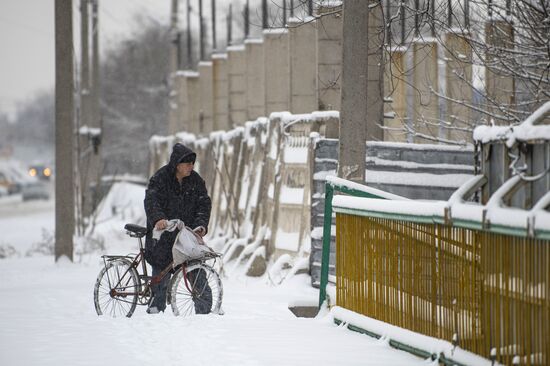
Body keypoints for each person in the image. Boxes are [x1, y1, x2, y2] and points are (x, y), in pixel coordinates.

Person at [144, 143, 212, 314]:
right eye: (188, 164)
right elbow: (151, 200)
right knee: (161, 276)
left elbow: (204, 204)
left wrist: (200, 226)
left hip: (185, 238)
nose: (191, 167)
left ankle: (205, 316)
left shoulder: (196, 181)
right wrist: (159, 218)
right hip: (164, 238)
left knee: (197, 271)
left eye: (192, 163)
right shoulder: (160, 179)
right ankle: (155, 312)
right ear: (177, 164)